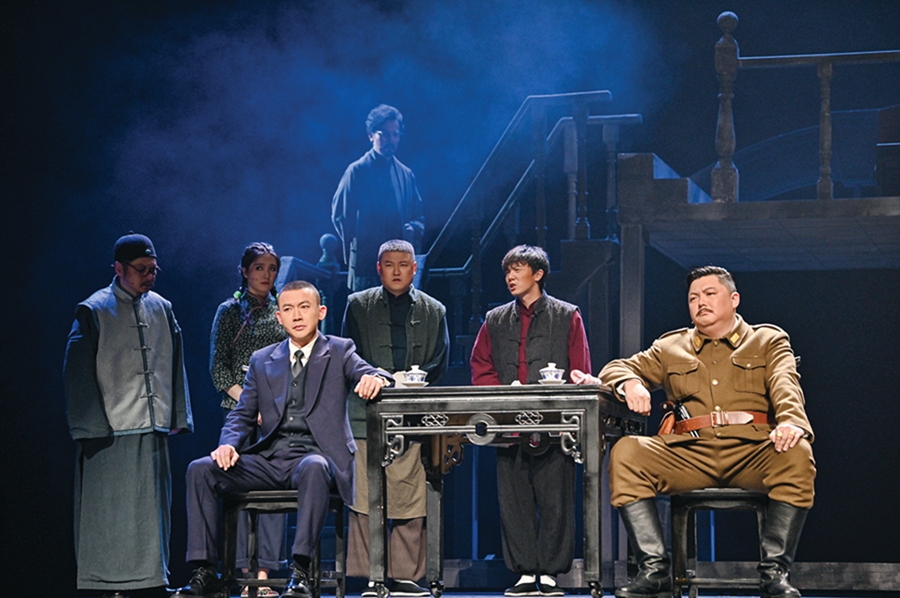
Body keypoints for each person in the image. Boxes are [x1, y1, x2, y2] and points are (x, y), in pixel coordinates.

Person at [571, 265, 815, 598]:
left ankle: (774, 575)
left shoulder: (767, 340)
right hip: (690, 453)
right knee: (627, 452)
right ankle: (655, 570)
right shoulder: (671, 346)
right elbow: (619, 366)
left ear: (734, 299)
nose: (701, 302)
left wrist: (790, 421)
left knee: (797, 454)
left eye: (710, 294)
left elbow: (786, 383)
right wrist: (630, 383)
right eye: (693, 298)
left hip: (752, 451)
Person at [171, 280, 391, 598]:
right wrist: (228, 444)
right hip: (270, 459)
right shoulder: (263, 359)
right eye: (288, 309)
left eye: (304, 307)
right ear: (279, 317)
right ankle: (204, 572)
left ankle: (300, 572)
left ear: (320, 312)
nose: (296, 315)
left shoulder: (339, 350)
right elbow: (243, 414)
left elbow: (374, 373)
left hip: (317, 458)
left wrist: (375, 378)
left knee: (314, 466)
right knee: (200, 469)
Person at [64, 232, 194, 598]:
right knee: (110, 513)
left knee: (152, 511)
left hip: (152, 424)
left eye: (153, 269)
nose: (149, 276)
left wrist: (177, 415)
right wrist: (90, 426)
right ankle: (110, 585)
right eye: (141, 269)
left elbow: (176, 361)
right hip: (109, 428)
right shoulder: (94, 309)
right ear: (118, 269)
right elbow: (76, 372)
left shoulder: (162, 307)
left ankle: (153, 582)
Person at [470, 245, 591, 597]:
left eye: (518, 270)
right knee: (514, 501)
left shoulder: (567, 315)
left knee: (556, 501)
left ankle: (551, 573)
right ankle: (524, 571)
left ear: (538, 274)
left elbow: (580, 369)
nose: (510, 277)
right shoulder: (495, 319)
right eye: (507, 271)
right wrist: (502, 394)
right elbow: (481, 367)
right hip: (509, 424)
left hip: (554, 425)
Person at [341, 239, 449, 597]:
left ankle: (405, 575)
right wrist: (375, 377)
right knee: (364, 495)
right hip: (365, 413)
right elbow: (347, 354)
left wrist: (409, 380)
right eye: (389, 265)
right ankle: (370, 574)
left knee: (410, 493)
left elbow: (440, 360)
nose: (397, 271)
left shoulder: (434, 310)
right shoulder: (358, 305)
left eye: (404, 265)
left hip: (412, 413)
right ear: (379, 269)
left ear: (414, 268)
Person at [209, 242, 288, 597]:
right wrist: (249, 404)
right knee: (241, 492)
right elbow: (219, 369)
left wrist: (272, 406)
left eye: (272, 269)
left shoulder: (282, 310)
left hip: (276, 414)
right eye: (259, 268)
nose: (266, 275)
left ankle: (265, 574)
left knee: (275, 493)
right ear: (244, 271)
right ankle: (243, 574)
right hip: (240, 413)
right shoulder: (229, 311)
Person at [332, 104, 425, 291]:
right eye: (385, 134)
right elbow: (341, 216)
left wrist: (412, 228)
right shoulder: (357, 171)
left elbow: (418, 216)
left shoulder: (406, 175)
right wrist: (358, 244)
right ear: (371, 135)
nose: (391, 140)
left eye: (395, 134)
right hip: (366, 263)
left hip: (398, 265)